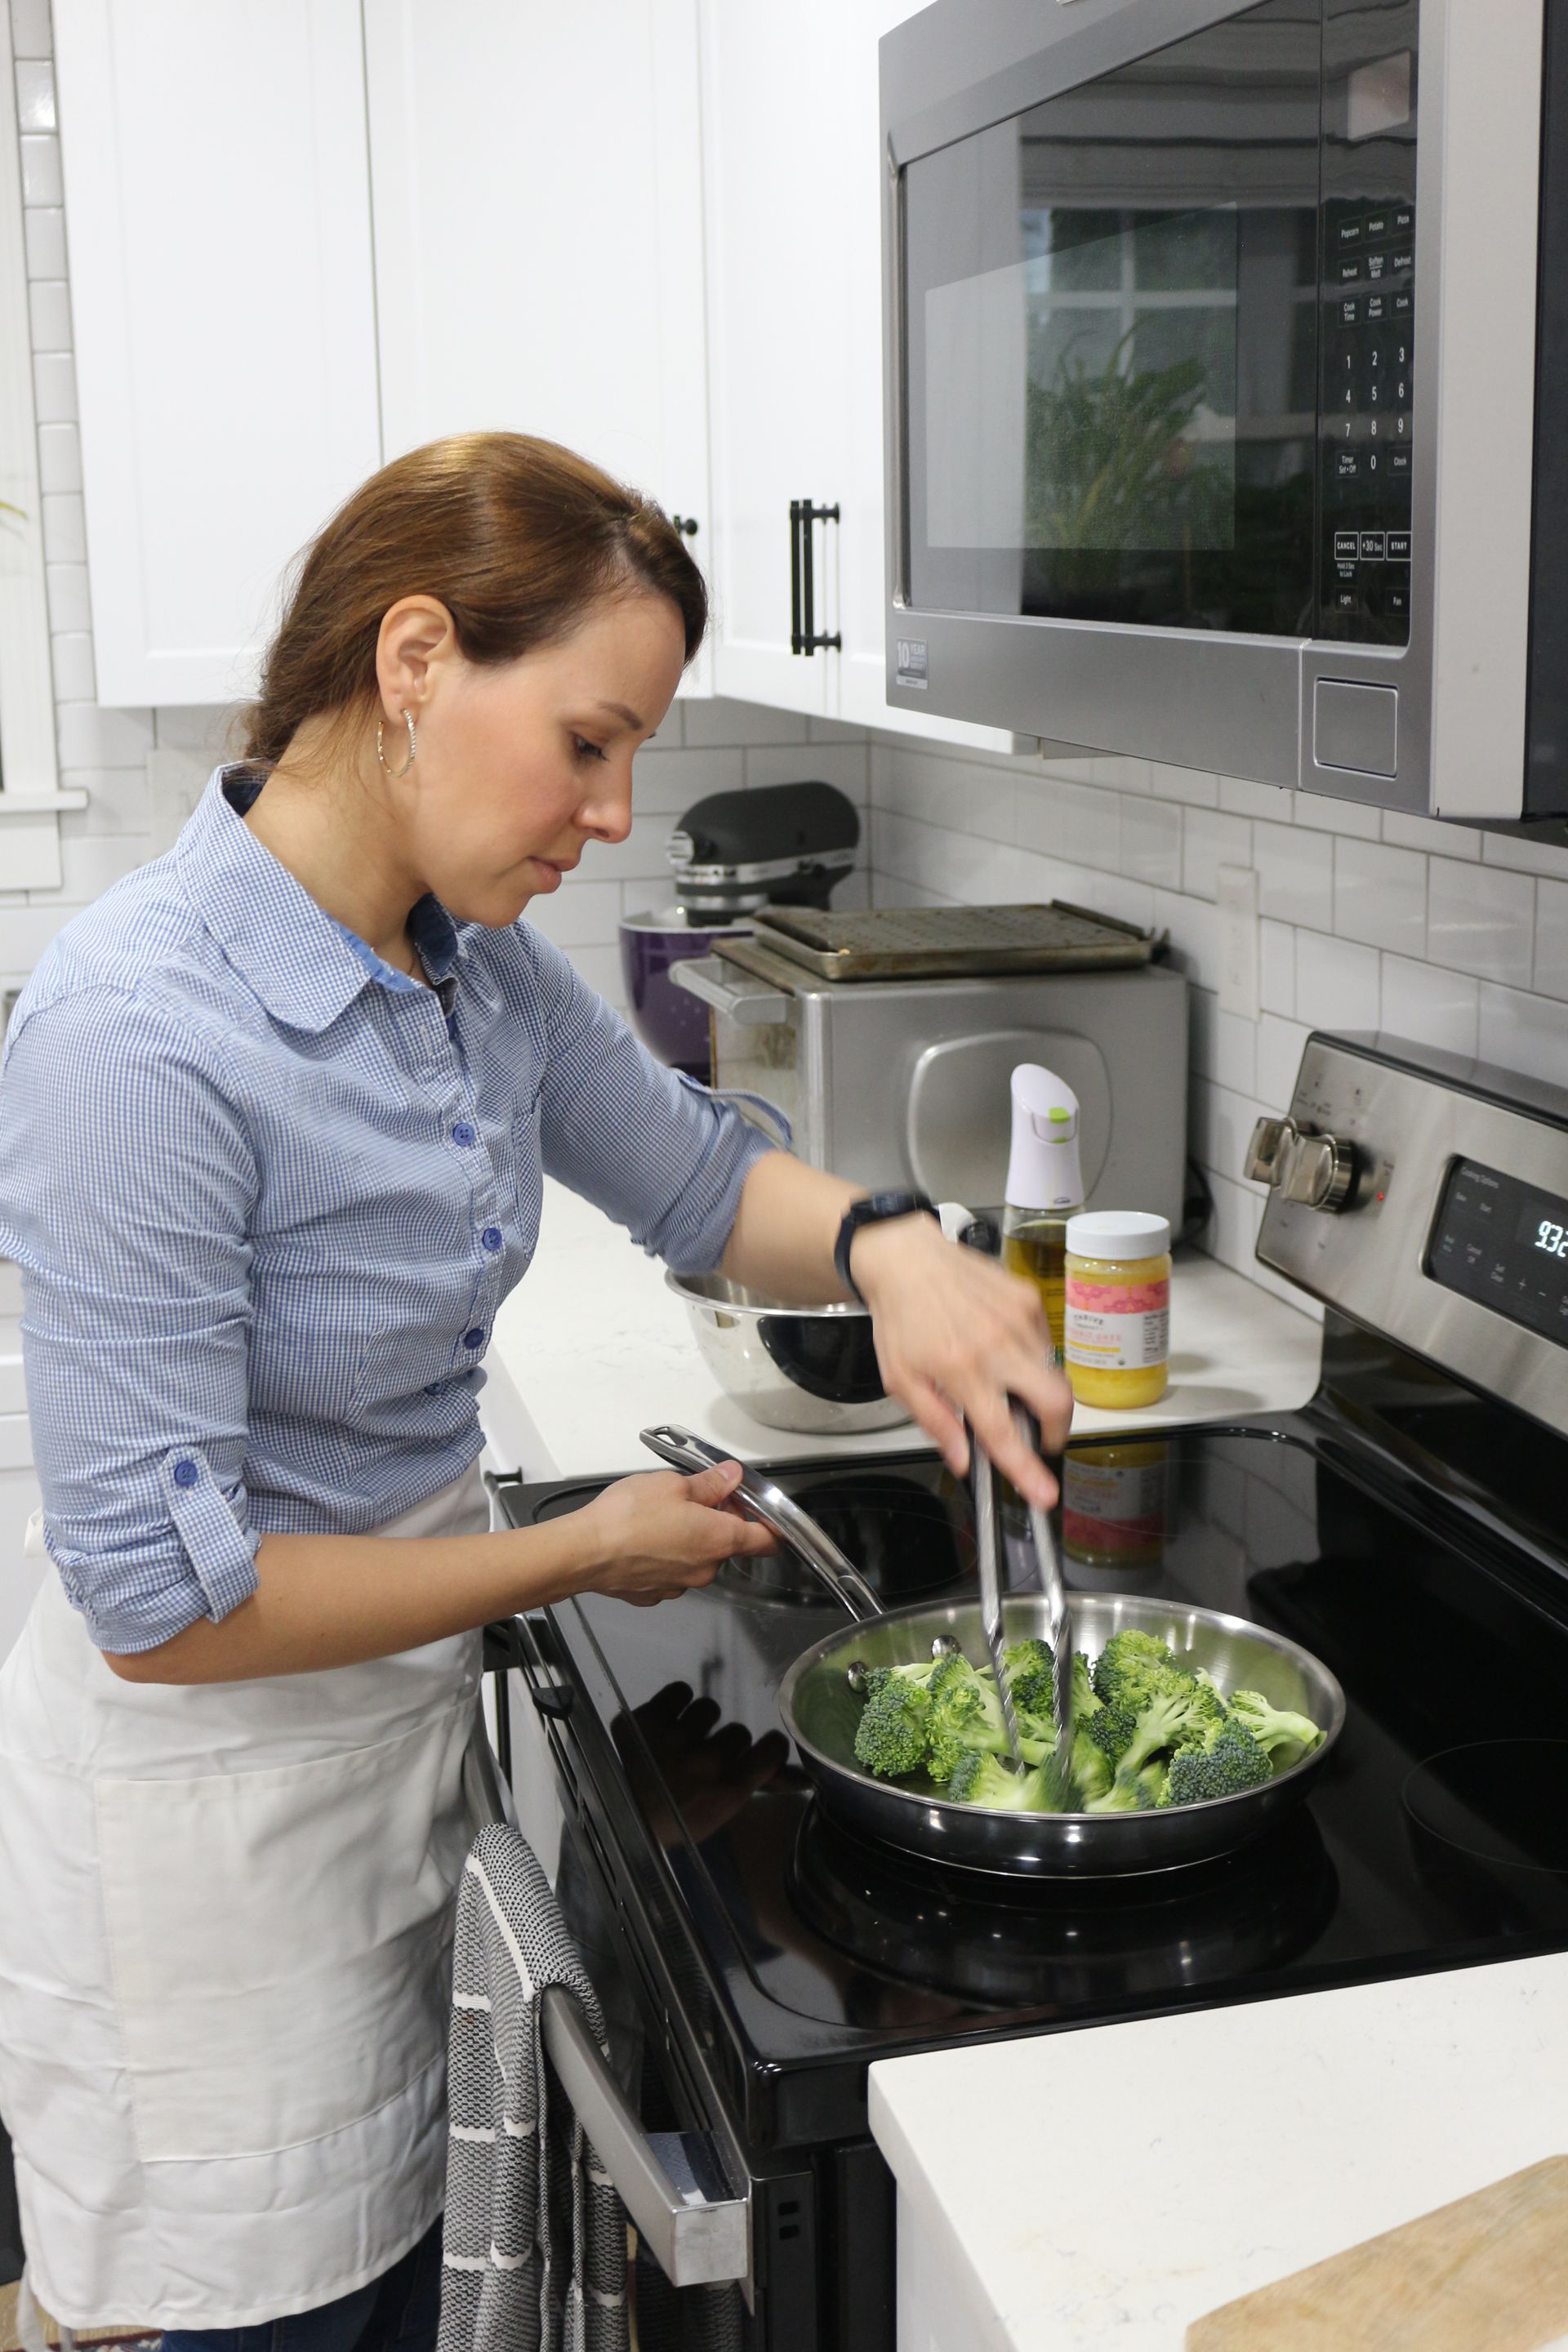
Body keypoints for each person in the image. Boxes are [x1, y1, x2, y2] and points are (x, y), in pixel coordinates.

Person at [0, 433, 1069, 2348]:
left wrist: (896, 1246)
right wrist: (573, 1550)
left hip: (392, 1781)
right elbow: (166, 1612)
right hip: (209, 1873)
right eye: (590, 741)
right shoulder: (136, 1032)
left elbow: (691, 1172)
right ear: (415, 658)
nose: (617, 807)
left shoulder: (469, 970)